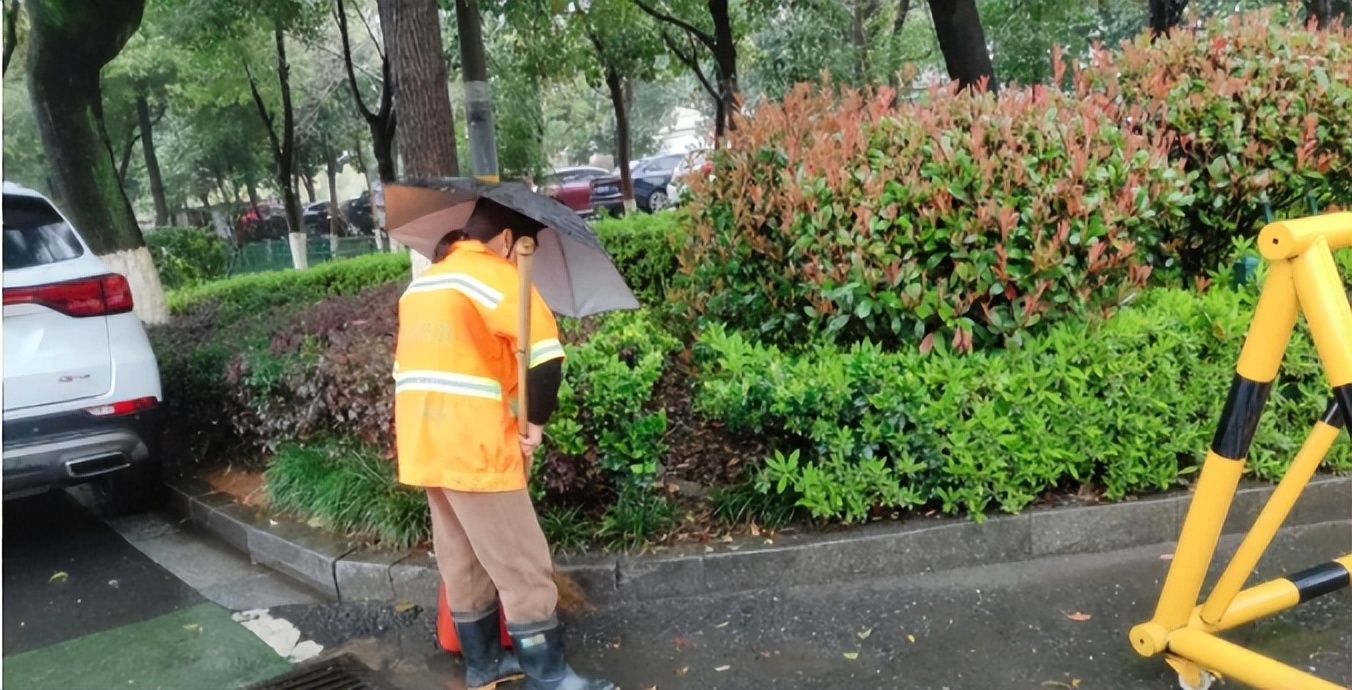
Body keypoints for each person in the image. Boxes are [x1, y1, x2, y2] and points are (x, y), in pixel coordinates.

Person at [393, 201, 614, 690]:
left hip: (424, 442)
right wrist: (534, 425)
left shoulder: (426, 282)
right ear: (510, 239)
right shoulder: (499, 277)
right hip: (475, 447)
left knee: (462, 557)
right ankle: (549, 677)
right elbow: (545, 361)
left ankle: (484, 665)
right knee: (521, 562)